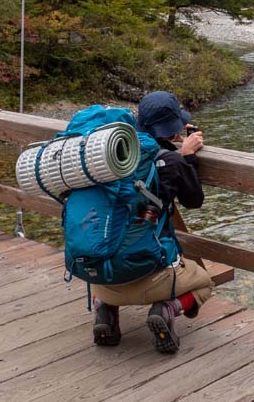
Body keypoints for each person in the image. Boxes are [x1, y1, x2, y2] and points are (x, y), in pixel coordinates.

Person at [91, 90, 214, 353]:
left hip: (100, 277)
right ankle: (167, 308)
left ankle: (105, 309)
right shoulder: (169, 160)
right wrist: (187, 156)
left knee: (114, 244)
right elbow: (194, 200)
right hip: (149, 274)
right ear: (174, 129)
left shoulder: (113, 153)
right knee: (204, 282)